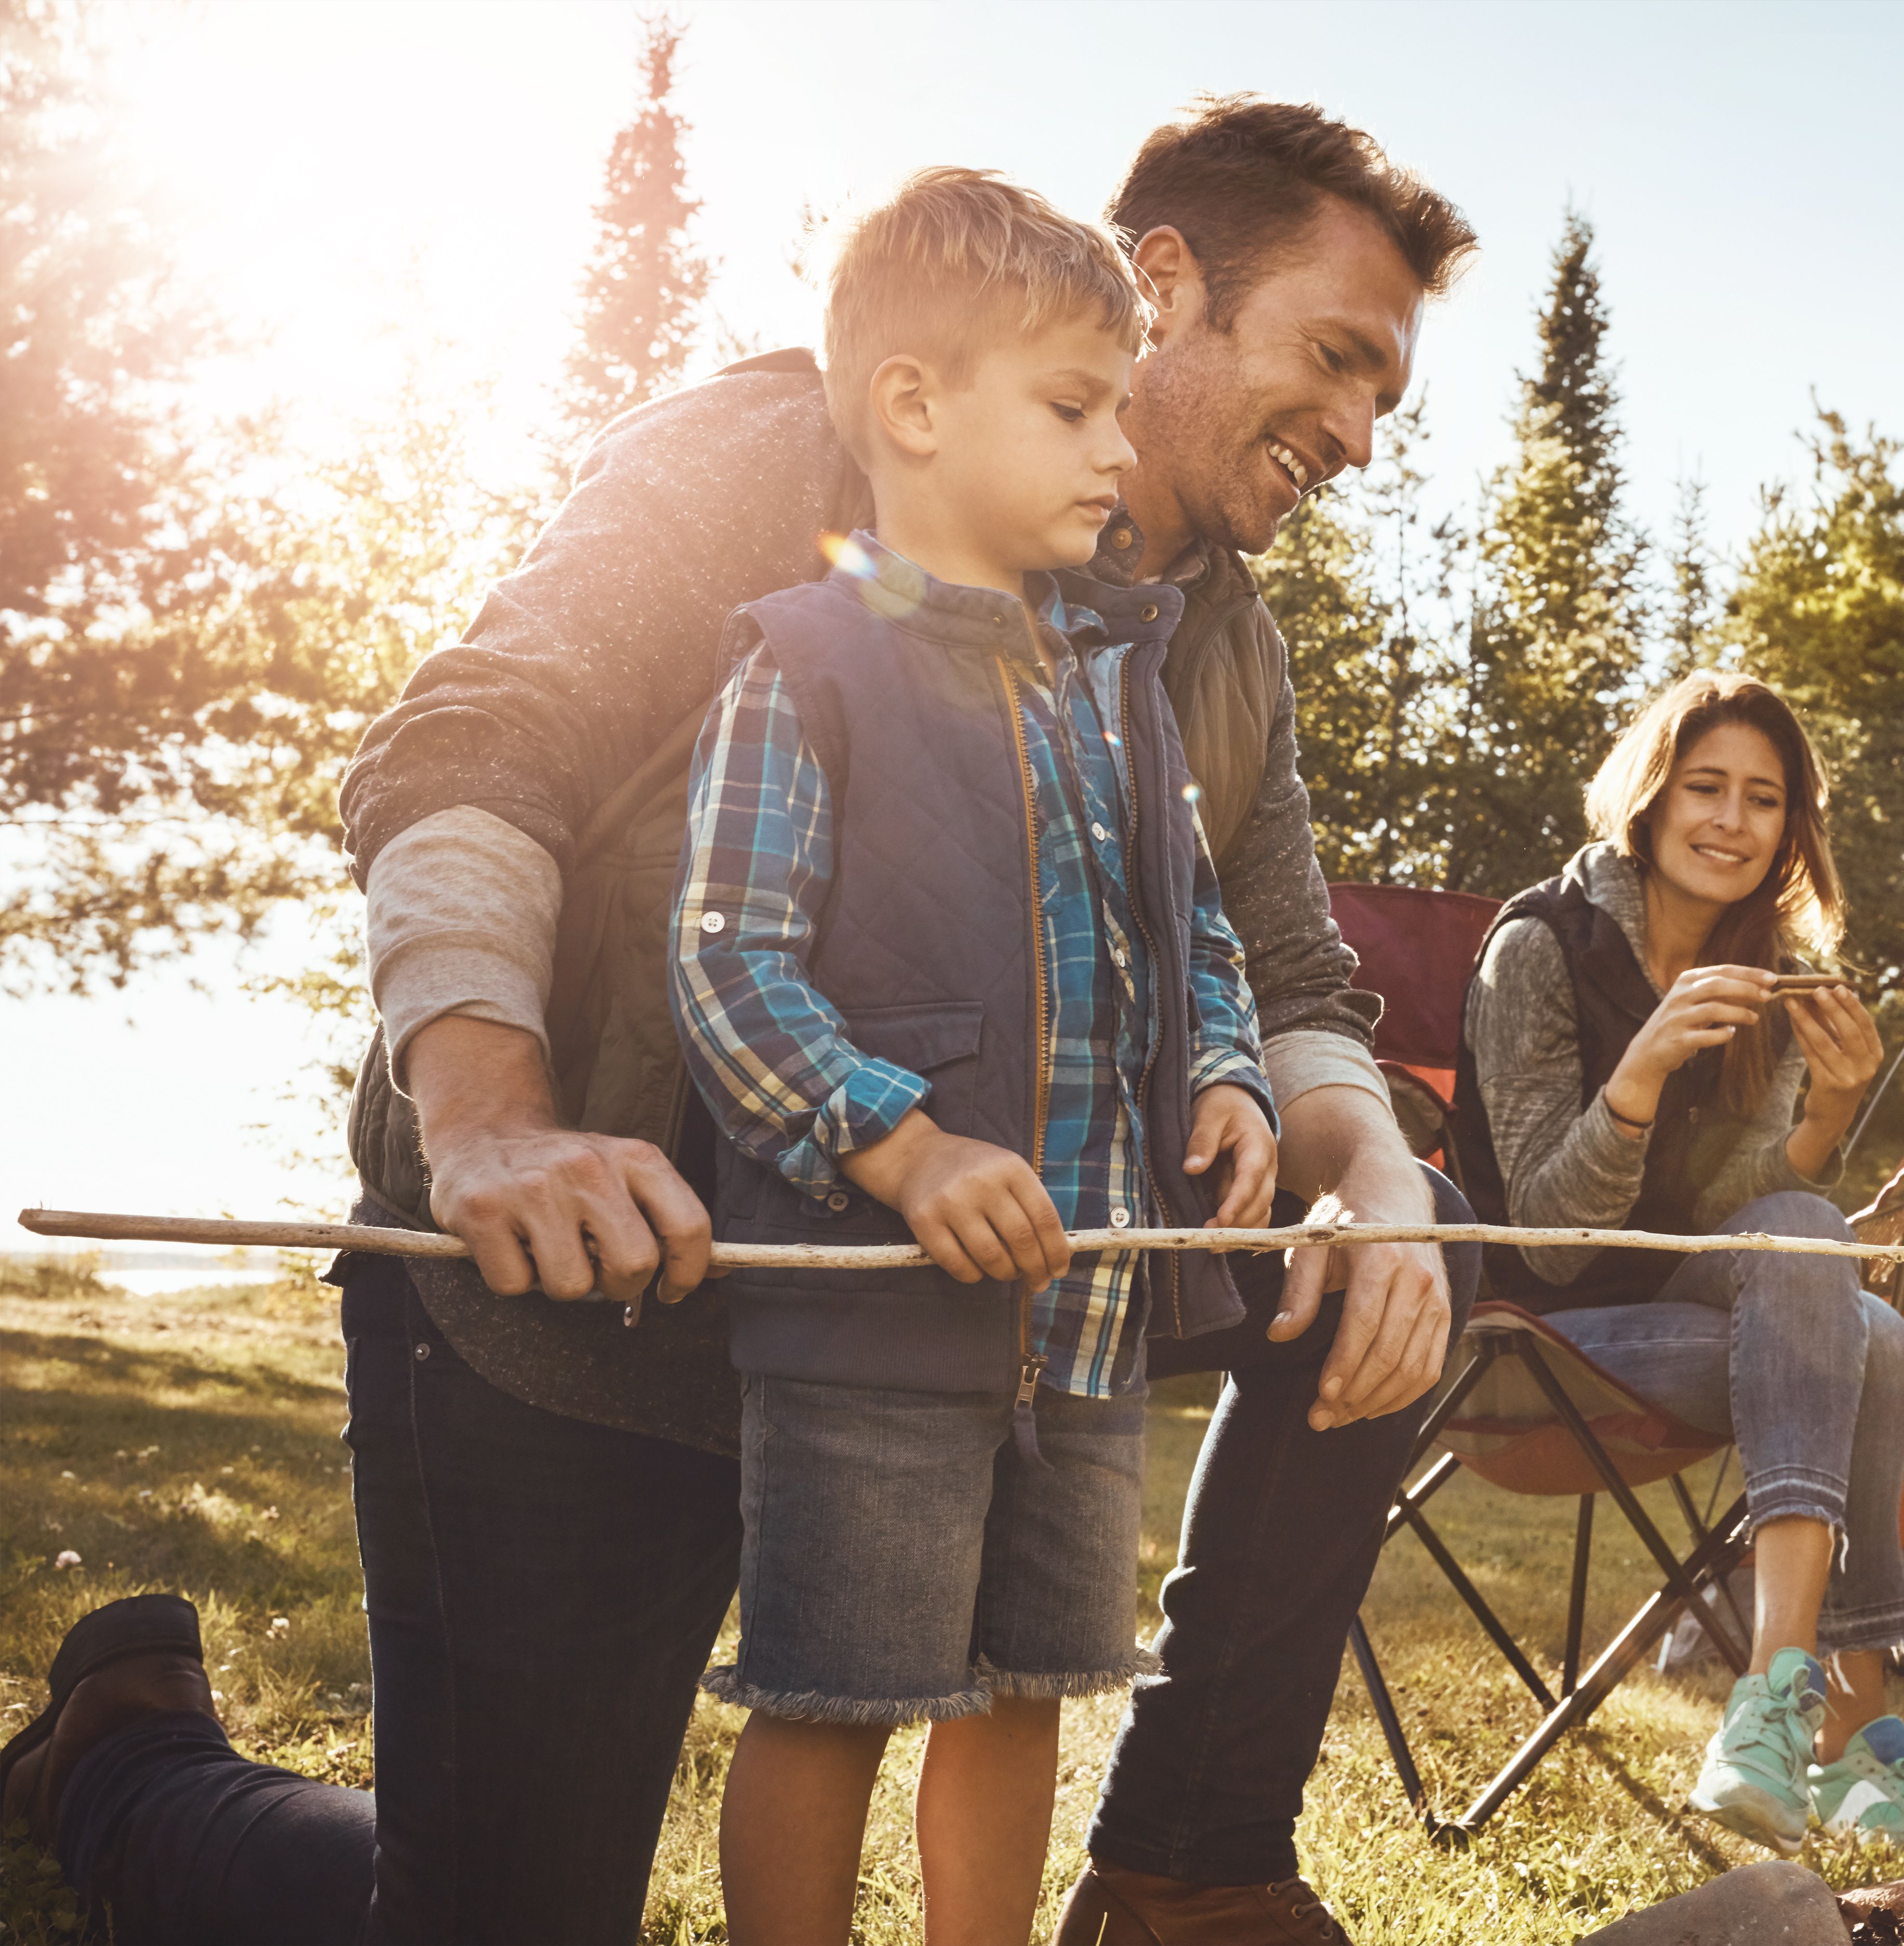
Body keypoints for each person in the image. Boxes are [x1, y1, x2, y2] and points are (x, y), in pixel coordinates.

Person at [7, 100, 1478, 1946]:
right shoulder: (785, 445)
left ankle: (1188, 1867)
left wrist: (1370, 1170)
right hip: (602, 1304)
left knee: (1402, 1276)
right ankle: (124, 1762)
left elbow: (1286, 970)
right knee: (501, 1919)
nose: (1354, 434)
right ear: (1165, 283)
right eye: (1335, 359)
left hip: (944, 1330)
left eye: (1382, 402)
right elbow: (473, 737)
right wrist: (488, 1108)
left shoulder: (1215, 646)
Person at [670, 167, 1281, 1945]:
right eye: (1075, 406)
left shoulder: (1119, 682)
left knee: (1028, 1684)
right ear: (916, 409)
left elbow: (1201, 926)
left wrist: (1226, 1070)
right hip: (876, 1311)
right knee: (835, 1697)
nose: (1118, 448)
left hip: (1084, 1314)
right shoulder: (807, 667)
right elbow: (727, 969)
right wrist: (905, 1146)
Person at [1446, 670, 1904, 1857]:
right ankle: (1844, 1725)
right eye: (1706, 787)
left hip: (1686, 1318)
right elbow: (1544, 1235)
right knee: (1869, 1331)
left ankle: (1782, 1706)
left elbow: (1734, 1210)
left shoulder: (1767, 967)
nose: (1731, 821)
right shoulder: (1536, 945)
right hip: (1534, 1338)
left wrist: (1830, 1113)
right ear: (1649, 796)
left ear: (1792, 828)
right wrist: (1633, 1082)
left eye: (1764, 799)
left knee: (1808, 1236)